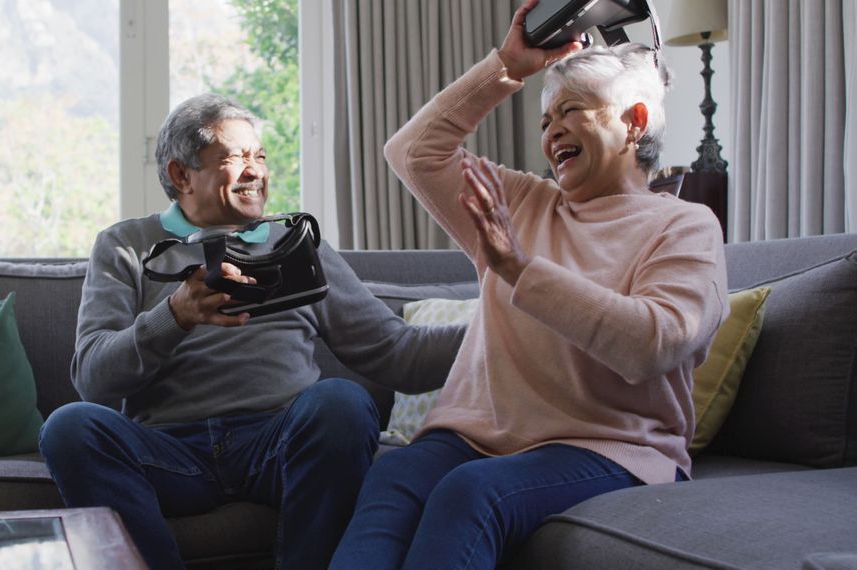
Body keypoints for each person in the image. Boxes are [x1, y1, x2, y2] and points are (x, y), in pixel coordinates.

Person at [330, 1, 729, 567]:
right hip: (474, 433)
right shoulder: (523, 202)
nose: (552, 132)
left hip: (607, 444)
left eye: (571, 111)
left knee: (472, 492)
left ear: (634, 123)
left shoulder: (684, 225)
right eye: (545, 120)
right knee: (392, 476)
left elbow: (653, 344)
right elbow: (414, 153)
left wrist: (520, 269)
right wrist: (507, 67)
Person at [37, 93, 464, 570]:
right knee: (69, 427)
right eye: (235, 157)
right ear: (181, 175)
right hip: (169, 452)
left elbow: (396, 353)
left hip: (277, 444)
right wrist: (174, 316)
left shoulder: (296, 244)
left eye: (259, 156)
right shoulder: (125, 247)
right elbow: (93, 379)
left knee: (341, 402)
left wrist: (501, 328)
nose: (255, 171)